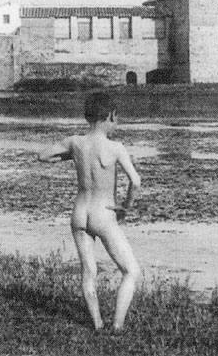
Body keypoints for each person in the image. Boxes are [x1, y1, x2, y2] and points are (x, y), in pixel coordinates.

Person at [38, 92, 141, 332]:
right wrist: (126, 207)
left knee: (89, 271)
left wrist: (67, 157)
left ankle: (96, 324)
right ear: (109, 116)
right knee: (131, 271)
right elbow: (136, 182)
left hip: (80, 213)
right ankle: (117, 326)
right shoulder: (115, 147)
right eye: (116, 118)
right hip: (104, 214)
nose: (117, 123)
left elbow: (42, 156)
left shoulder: (75, 142)